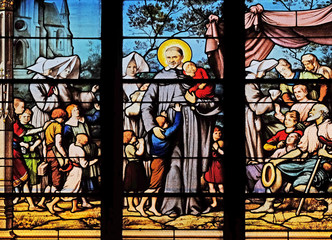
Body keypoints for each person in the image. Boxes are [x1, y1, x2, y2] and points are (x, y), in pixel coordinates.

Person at [141, 42, 221, 217]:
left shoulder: (194, 76)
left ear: (182, 58)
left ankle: (193, 204)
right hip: (169, 123)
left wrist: (197, 103)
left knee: (191, 163)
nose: (171, 60)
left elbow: (214, 101)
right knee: (173, 163)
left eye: (174, 57)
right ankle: (171, 205)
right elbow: (146, 104)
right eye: (168, 57)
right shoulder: (160, 77)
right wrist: (152, 127)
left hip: (193, 123)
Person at [258, 104, 332, 214]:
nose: (310, 112)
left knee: (298, 185)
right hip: (308, 162)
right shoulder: (310, 129)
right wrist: (279, 160)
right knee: (278, 167)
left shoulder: (329, 127)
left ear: (321, 113)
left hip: (321, 164)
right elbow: (299, 150)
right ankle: (269, 204)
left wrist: (326, 154)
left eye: (313, 110)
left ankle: (329, 200)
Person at [136, 103, 182, 217]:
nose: (168, 123)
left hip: (158, 161)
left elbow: (161, 123)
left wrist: (162, 116)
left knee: (157, 188)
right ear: (163, 125)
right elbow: (176, 125)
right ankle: (140, 206)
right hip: (158, 162)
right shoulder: (165, 133)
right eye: (166, 122)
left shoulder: (155, 133)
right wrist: (178, 111)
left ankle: (152, 207)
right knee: (153, 187)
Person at [27, 56, 98, 129]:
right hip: (43, 116)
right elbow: (43, 105)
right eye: (49, 68)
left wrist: (91, 93)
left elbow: (76, 96)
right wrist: (55, 96)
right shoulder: (34, 84)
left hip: (62, 116)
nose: (51, 70)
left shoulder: (60, 81)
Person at [46, 134, 98, 214]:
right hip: (77, 171)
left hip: (72, 169)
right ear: (83, 141)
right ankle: (51, 204)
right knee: (69, 189)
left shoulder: (72, 145)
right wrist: (95, 161)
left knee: (77, 189)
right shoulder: (81, 151)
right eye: (86, 140)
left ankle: (75, 207)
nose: (87, 142)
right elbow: (84, 164)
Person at [249, 132, 302, 212]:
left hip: (283, 177)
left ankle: (264, 202)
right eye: (289, 136)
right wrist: (258, 163)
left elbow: (297, 171)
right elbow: (270, 160)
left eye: (292, 137)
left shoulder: (298, 154)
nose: (289, 137)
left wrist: (290, 183)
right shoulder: (280, 151)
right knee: (250, 168)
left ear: (297, 140)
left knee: (264, 182)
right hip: (270, 170)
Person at [12, 98, 44, 211]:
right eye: (22, 106)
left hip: (18, 154)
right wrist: (42, 128)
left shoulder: (14, 120)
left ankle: (30, 204)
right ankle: (29, 204)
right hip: (14, 154)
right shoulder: (13, 121)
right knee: (23, 180)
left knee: (23, 180)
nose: (23, 108)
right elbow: (22, 134)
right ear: (15, 107)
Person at [37, 108, 69, 210]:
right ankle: (52, 205)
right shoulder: (57, 126)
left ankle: (41, 202)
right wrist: (65, 156)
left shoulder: (49, 125)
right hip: (56, 154)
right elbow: (58, 144)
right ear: (61, 117)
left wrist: (45, 157)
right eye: (63, 117)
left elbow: (44, 143)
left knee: (51, 181)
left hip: (48, 153)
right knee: (57, 180)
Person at [123, 130, 148, 212]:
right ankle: (130, 206)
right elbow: (139, 153)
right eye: (133, 136)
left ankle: (137, 205)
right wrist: (142, 143)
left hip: (136, 167)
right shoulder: (129, 147)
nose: (135, 137)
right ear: (129, 138)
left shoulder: (131, 146)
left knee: (136, 187)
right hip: (132, 167)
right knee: (131, 188)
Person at [19, 108, 42, 193]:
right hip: (22, 156)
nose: (26, 118)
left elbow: (38, 139)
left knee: (35, 176)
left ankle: (35, 196)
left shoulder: (31, 127)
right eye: (24, 116)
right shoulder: (16, 127)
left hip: (33, 156)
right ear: (20, 117)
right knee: (25, 177)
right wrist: (22, 144)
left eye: (29, 116)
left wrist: (33, 146)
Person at [203, 126, 224, 212]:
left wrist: (218, 149)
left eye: (220, 133)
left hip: (218, 165)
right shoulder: (208, 143)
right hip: (210, 165)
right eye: (216, 133)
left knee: (221, 186)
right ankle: (214, 202)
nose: (218, 134)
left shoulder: (221, 142)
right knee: (211, 185)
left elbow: (223, 153)